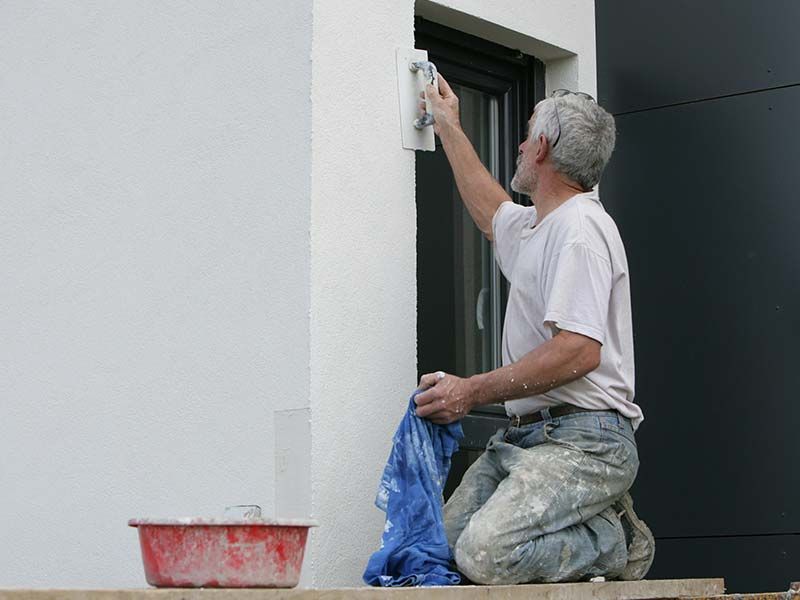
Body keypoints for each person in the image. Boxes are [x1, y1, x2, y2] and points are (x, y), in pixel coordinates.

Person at [413, 75, 655, 585]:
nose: (520, 146)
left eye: (526, 136)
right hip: (528, 437)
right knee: (439, 552)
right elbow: (490, 212)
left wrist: (470, 390)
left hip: (587, 441)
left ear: (542, 147)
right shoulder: (538, 227)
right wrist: (449, 125)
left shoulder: (581, 231)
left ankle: (614, 538)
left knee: (484, 555)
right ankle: (596, 529)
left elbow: (578, 351)